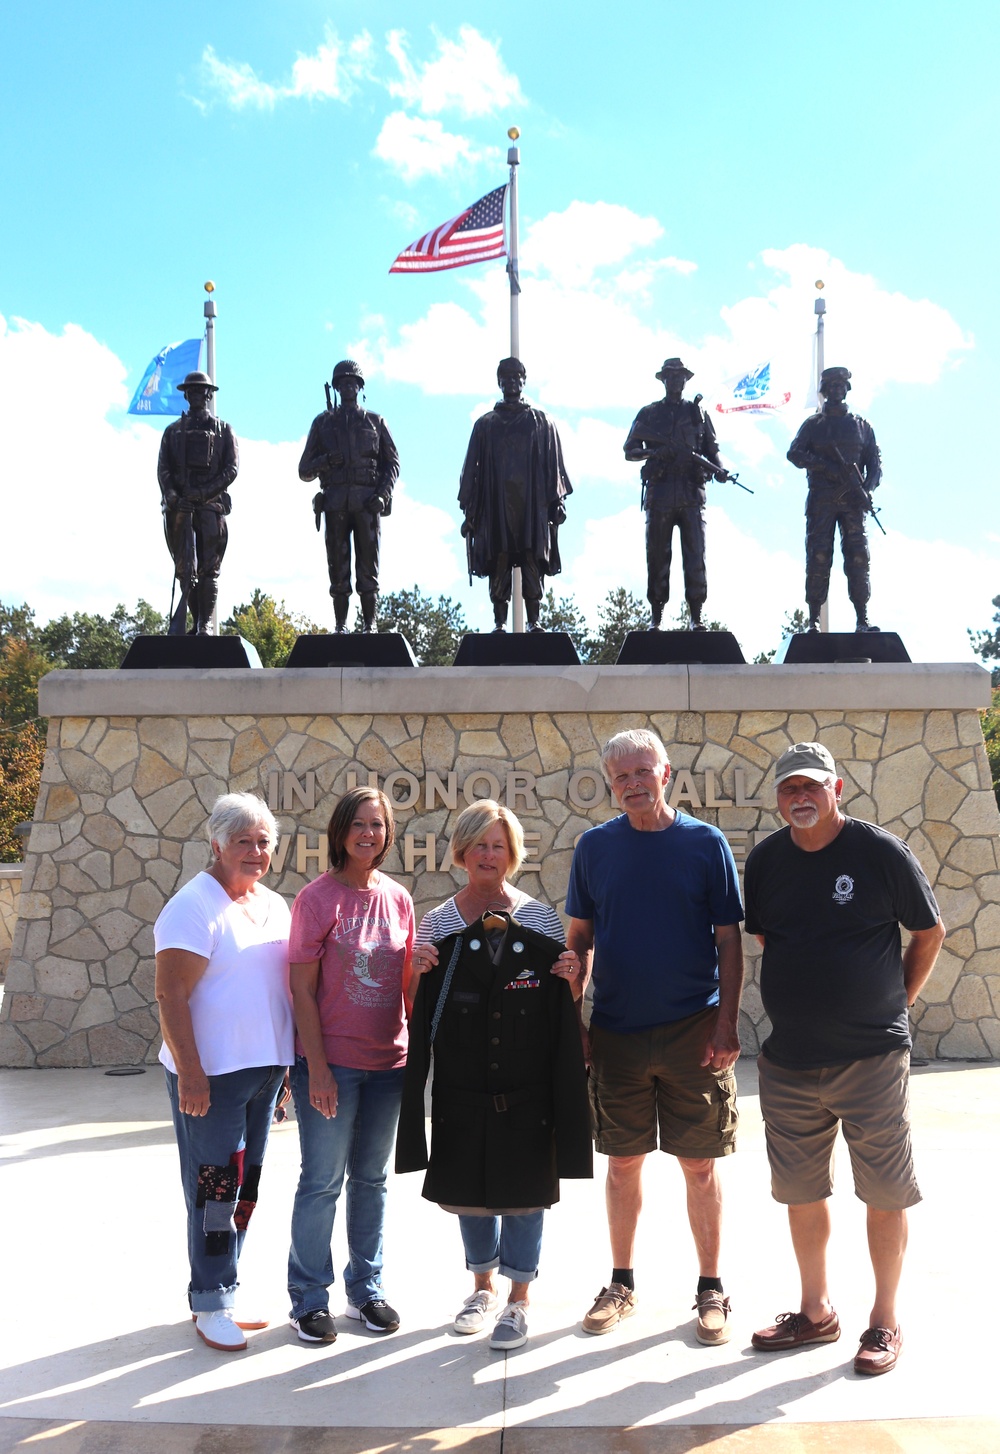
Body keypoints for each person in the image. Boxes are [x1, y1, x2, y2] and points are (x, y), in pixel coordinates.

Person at [744, 742, 945, 1376]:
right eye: (787, 789)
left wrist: (895, 1005)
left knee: (884, 1192)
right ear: (778, 798)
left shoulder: (880, 853)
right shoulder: (768, 861)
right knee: (801, 1193)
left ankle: (884, 1322)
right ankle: (815, 1312)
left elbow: (929, 931)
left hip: (872, 1059)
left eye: (811, 786)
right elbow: (771, 938)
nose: (799, 797)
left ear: (837, 789)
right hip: (789, 1063)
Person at [564, 728, 744, 1345]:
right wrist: (578, 1022)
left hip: (695, 1029)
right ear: (609, 785)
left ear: (666, 773)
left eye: (643, 771)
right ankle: (621, 1283)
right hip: (616, 1030)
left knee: (700, 1163)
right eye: (621, 776)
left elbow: (728, 940)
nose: (633, 784)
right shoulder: (593, 849)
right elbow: (579, 940)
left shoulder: (705, 843)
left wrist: (727, 1023)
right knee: (622, 1163)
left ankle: (711, 1288)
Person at [397, 801, 591, 1351]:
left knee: (527, 1194)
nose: (489, 854)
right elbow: (418, 1007)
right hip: (463, 1086)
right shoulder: (436, 923)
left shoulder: (539, 919)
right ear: (462, 851)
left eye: (498, 845)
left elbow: (563, 999)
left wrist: (574, 976)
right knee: (472, 1193)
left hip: (528, 1087)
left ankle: (519, 1300)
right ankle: (481, 1288)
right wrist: (416, 972)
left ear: (513, 854)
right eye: (479, 844)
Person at [154, 793, 292, 1352]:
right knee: (213, 1188)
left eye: (264, 842)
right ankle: (209, 1300)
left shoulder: (274, 904)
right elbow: (170, 995)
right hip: (210, 1079)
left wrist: (282, 1073)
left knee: (244, 1187)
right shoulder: (193, 906)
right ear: (216, 843)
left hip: (263, 1075)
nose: (256, 852)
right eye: (243, 841)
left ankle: (224, 1290)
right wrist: (190, 1072)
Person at [286, 787, 414, 1343]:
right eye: (359, 824)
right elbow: (301, 989)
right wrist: (315, 1068)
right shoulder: (316, 900)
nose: (369, 834)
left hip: (389, 1065)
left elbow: (408, 984)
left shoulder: (399, 899)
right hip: (331, 1065)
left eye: (378, 825)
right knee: (321, 1183)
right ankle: (309, 1299)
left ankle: (366, 1291)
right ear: (340, 831)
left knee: (372, 1181)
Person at [459, 357, 572, 632]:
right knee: (500, 561)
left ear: (524, 381)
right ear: (499, 383)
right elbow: (470, 472)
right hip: (497, 507)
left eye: (516, 377)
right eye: (505, 378)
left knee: (532, 560)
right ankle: (499, 622)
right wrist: (470, 513)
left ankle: (534, 621)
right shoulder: (485, 425)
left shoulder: (541, 421)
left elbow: (553, 464)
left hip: (531, 507)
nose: (511, 382)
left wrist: (557, 501)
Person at [298, 359, 399, 633]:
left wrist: (382, 494)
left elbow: (392, 463)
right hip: (335, 503)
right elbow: (304, 469)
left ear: (360, 387)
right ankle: (341, 625)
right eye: (342, 383)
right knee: (338, 567)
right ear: (336, 387)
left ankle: (369, 623)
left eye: (352, 383)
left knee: (368, 568)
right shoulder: (322, 423)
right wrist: (327, 461)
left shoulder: (376, 422)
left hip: (367, 504)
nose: (347, 387)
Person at [623, 358, 724, 630]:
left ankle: (697, 616)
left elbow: (712, 450)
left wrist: (721, 469)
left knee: (696, 555)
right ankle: (656, 617)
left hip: (692, 493)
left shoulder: (698, 414)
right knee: (657, 556)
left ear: (686, 380)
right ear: (664, 380)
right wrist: (654, 453)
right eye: (671, 376)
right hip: (661, 492)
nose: (676, 381)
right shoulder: (649, 414)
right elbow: (629, 450)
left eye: (680, 376)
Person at [786, 365, 882, 632]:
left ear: (846, 389)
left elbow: (875, 465)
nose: (837, 391)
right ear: (825, 391)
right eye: (832, 387)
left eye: (841, 386)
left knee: (858, 558)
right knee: (818, 556)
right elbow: (794, 453)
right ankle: (814, 617)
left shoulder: (863, 426)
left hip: (853, 502)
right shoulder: (813, 426)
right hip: (822, 501)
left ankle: (862, 618)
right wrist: (824, 466)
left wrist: (867, 491)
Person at [157, 371, 239, 637]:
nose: (196, 395)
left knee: (209, 569)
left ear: (208, 394)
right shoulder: (172, 431)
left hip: (210, 507)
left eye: (200, 391)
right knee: (184, 569)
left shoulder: (224, 430)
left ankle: (206, 623)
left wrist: (204, 492)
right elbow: (163, 469)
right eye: (191, 391)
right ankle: (192, 621)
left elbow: (231, 469)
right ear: (185, 395)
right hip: (180, 508)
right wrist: (172, 496)